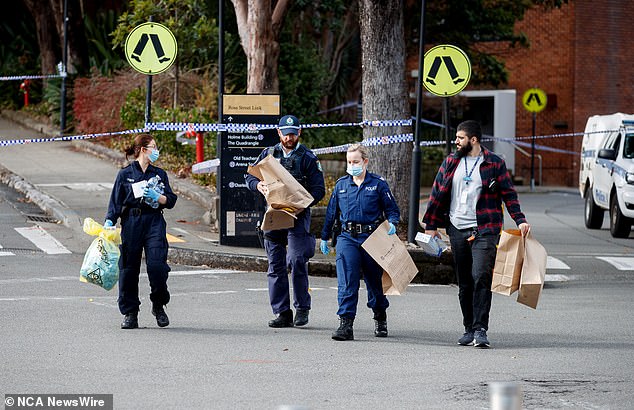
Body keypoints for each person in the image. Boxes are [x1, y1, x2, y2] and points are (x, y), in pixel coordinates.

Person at [422, 120, 530, 348]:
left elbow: (509, 194)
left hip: (485, 229)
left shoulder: (494, 163)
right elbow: (436, 193)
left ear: (473, 140)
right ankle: (468, 327)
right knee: (464, 282)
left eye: (460, 138)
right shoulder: (451, 162)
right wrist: (430, 225)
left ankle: (481, 329)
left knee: (481, 275)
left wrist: (520, 220)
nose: (456, 141)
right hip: (457, 229)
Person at [246, 115, 325, 328]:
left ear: (299, 133)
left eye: (293, 132)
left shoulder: (308, 157)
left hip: (298, 216)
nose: (289, 136)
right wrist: (258, 186)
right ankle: (282, 312)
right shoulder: (268, 153)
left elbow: (319, 190)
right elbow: (250, 176)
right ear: (279, 133)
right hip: (274, 215)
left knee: (298, 259)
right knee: (275, 264)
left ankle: (302, 308)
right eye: (286, 133)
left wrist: (301, 203)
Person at [320, 144, 400, 341]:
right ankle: (345, 324)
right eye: (349, 162)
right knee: (347, 281)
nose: (352, 165)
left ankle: (380, 315)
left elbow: (392, 209)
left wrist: (393, 222)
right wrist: (324, 237)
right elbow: (331, 213)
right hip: (347, 237)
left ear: (365, 161)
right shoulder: (341, 185)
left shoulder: (378, 184)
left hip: (372, 238)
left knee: (374, 282)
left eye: (355, 161)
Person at [105, 133, 178, 329]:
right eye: (153, 147)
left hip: (154, 220)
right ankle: (130, 313)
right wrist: (109, 221)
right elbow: (115, 203)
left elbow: (171, 200)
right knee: (128, 269)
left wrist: (158, 196)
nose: (156, 151)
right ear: (143, 150)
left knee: (158, 267)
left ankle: (158, 304)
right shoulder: (125, 174)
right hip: (132, 222)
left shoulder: (159, 174)